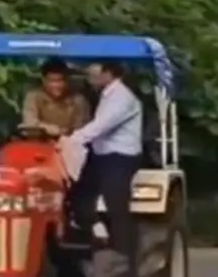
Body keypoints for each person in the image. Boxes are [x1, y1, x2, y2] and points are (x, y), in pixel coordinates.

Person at [62, 61, 144, 254]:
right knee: (78, 194)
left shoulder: (122, 98)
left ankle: (124, 251)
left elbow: (101, 126)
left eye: (94, 72)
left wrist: (72, 140)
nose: (89, 76)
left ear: (108, 73)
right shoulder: (106, 95)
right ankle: (93, 233)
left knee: (116, 204)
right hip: (101, 155)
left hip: (120, 157)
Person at [21, 60, 91, 136]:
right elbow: (29, 123)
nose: (57, 85)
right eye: (52, 81)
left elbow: (82, 129)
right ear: (44, 80)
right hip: (39, 140)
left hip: (69, 140)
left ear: (67, 80)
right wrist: (50, 129)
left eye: (60, 80)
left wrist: (65, 134)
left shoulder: (79, 100)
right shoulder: (33, 97)